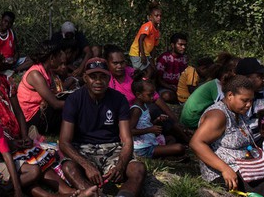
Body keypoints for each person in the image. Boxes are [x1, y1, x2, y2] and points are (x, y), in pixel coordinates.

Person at [0, 49, 79, 196]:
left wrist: (24, 136)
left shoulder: (5, 82)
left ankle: (68, 191)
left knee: (37, 156)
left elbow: (19, 112)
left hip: (16, 140)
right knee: (29, 163)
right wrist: (9, 145)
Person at [59, 58, 146, 197]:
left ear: (109, 78)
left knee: (138, 169)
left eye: (103, 77)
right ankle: (96, 194)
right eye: (93, 77)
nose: (98, 81)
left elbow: (127, 140)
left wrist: (121, 165)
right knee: (69, 168)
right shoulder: (74, 99)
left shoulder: (119, 99)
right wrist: (87, 166)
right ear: (85, 77)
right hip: (83, 148)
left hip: (112, 148)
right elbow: (64, 142)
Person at [190, 75, 264, 196]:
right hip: (228, 174)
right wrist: (224, 169)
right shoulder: (218, 115)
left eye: (251, 100)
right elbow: (196, 143)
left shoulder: (239, 113)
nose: (249, 104)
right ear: (230, 95)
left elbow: (248, 144)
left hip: (248, 167)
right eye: (245, 100)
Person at [105, 44, 187, 143]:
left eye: (122, 62)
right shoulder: (106, 80)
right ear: (107, 63)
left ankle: (185, 138)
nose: (119, 66)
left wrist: (173, 118)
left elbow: (155, 96)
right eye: (115, 63)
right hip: (126, 118)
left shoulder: (132, 73)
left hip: (143, 113)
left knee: (158, 113)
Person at [16, 41, 68, 136]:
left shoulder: (46, 72)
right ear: (52, 58)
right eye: (59, 56)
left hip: (40, 111)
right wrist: (78, 103)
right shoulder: (35, 74)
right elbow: (55, 104)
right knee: (69, 108)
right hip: (32, 119)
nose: (61, 60)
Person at [129, 75, 186, 159]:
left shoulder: (145, 106)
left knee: (171, 139)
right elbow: (129, 131)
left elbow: (145, 124)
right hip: (142, 148)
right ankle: (166, 156)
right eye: (149, 95)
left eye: (153, 94)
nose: (153, 98)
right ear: (138, 95)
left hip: (150, 141)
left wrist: (157, 120)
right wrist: (150, 130)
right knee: (180, 148)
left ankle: (165, 155)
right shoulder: (136, 110)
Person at [180, 53, 239, 129]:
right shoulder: (217, 86)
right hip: (192, 121)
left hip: (191, 118)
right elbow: (224, 109)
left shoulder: (214, 83)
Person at [128, 2, 162, 77]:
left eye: (160, 16)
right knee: (148, 72)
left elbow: (154, 47)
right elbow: (141, 39)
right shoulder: (148, 26)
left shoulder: (157, 31)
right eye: (156, 16)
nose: (159, 17)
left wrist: (152, 59)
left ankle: (147, 85)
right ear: (150, 17)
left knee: (154, 71)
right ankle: (142, 86)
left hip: (146, 54)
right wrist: (142, 55)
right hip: (137, 53)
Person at [155, 32, 189, 103]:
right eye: (180, 44)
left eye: (184, 45)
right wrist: (171, 87)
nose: (183, 47)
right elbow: (158, 79)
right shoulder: (164, 58)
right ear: (173, 45)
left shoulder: (184, 59)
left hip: (179, 88)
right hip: (165, 87)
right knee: (167, 96)